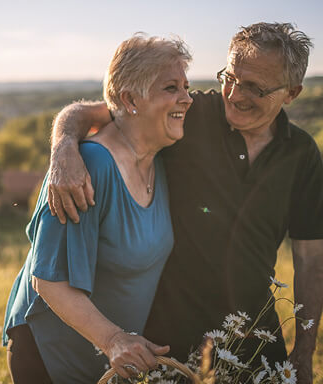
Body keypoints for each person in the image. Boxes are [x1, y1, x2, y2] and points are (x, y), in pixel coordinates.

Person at [48, 22, 323, 383]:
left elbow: (311, 260)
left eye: (255, 87)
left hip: (255, 338)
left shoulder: (302, 154)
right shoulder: (187, 113)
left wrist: (304, 352)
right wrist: (64, 146)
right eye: (230, 76)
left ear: (291, 93)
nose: (234, 94)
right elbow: (104, 110)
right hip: (165, 339)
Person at [2, 34, 193, 384]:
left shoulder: (158, 156)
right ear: (130, 99)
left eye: (186, 85)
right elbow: (49, 280)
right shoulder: (89, 166)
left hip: (107, 358)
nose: (187, 98)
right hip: (51, 356)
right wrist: (114, 339)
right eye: (171, 87)